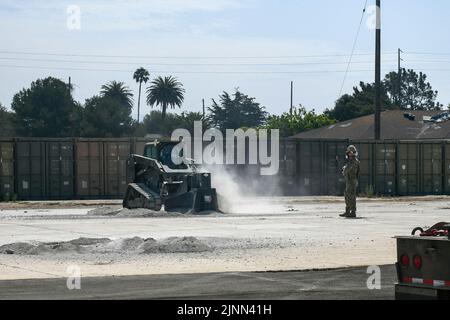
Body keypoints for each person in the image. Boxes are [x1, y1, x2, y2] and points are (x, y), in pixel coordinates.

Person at [340, 145, 360, 218]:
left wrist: (344, 169)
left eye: (351, 152)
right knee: (347, 196)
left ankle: (353, 212)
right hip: (349, 181)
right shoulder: (351, 161)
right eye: (349, 153)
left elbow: (345, 171)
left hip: (352, 181)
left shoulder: (354, 161)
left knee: (352, 197)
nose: (349, 154)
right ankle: (348, 211)